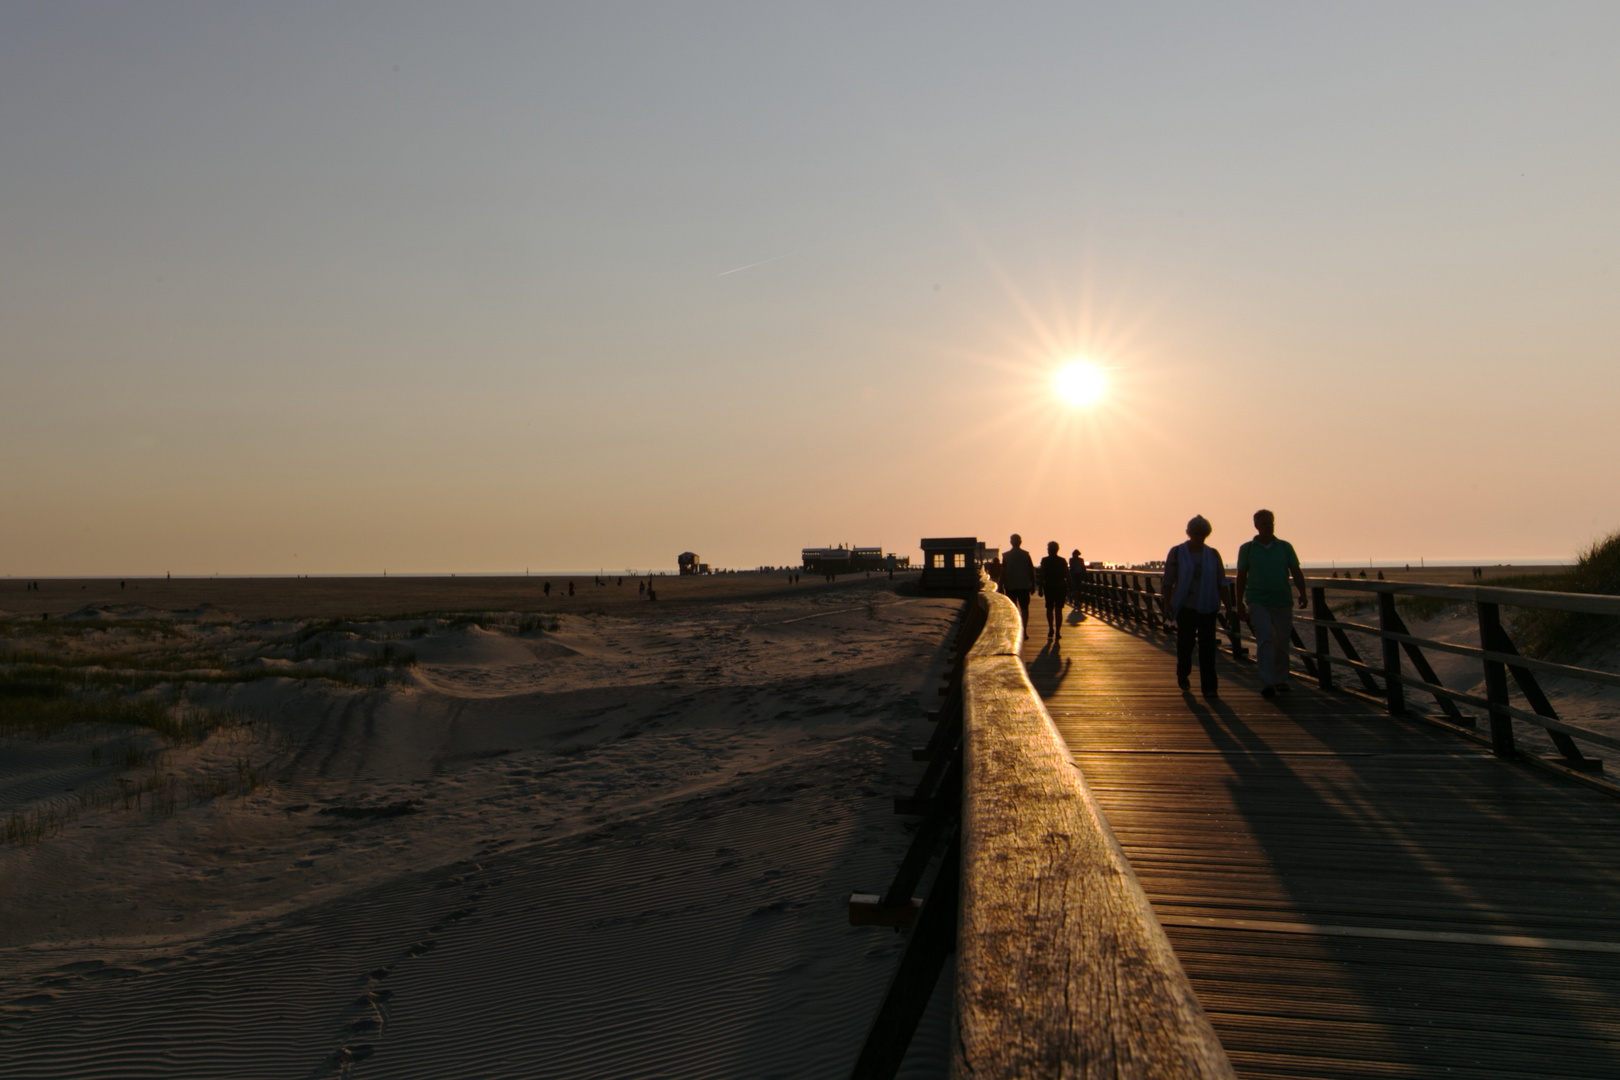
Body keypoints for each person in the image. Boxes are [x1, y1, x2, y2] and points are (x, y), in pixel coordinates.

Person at [1234, 509, 1308, 699]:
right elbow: (1241, 577)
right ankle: (1267, 681)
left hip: (1282, 600)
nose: (1269, 526)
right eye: (1265, 523)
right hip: (1257, 599)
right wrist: (1239, 602)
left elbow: (1295, 570)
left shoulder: (1284, 547)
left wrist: (1302, 592)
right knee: (1264, 638)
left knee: (1281, 640)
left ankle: (1281, 678)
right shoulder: (1247, 548)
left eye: (1271, 523)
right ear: (1256, 526)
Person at [1161, 515, 1226, 698]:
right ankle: (1183, 673)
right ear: (1189, 533)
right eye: (1196, 533)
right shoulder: (1177, 552)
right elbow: (1167, 581)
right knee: (1185, 644)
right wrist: (1167, 604)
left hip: (1208, 605)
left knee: (1208, 647)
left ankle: (1210, 687)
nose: (1199, 537)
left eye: (1202, 534)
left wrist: (1229, 606)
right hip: (1185, 605)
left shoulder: (1212, 554)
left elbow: (1221, 581)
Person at [998, 534, 1036, 639]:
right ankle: (1024, 631)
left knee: (1012, 609)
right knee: (1024, 608)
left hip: (1010, 585)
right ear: (1020, 542)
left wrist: (1000, 585)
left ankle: (1014, 630)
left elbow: (1003, 572)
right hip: (1024, 585)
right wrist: (1033, 584)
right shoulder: (1026, 555)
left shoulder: (1006, 556)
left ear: (1011, 542)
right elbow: (1031, 571)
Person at [1039, 541, 1069, 640]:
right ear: (1057, 550)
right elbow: (1067, 574)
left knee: (1049, 608)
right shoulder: (1062, 560)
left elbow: (1042, 575)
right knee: (1058, 609)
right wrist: (1071, 587)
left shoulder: (1045, 560)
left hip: (1049, 587)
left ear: (1049, 550)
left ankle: (1051, 628)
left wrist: (1040, 588)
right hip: (1060, 586)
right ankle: (1058, 631)